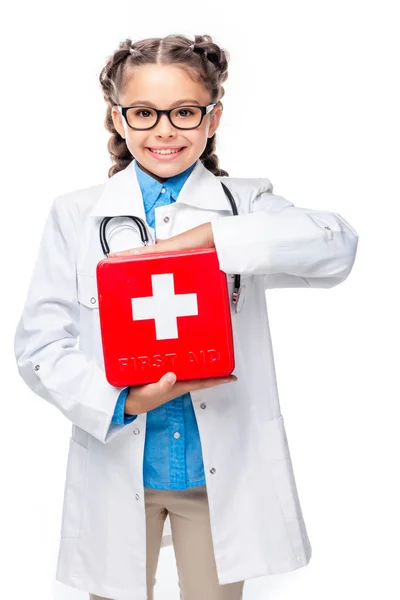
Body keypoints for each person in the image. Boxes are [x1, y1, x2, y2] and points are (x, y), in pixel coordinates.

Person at [13, 34, 359, 600]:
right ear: (119, 118)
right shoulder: (77, 214)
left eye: (185, 111)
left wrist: (213, 238)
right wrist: (124, 400)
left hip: (215, 475)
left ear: (213, 116)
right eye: (145, 113)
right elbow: (40, 346)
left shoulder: (243, 205)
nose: (165, 130)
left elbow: (335, 246)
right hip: (120, 457)